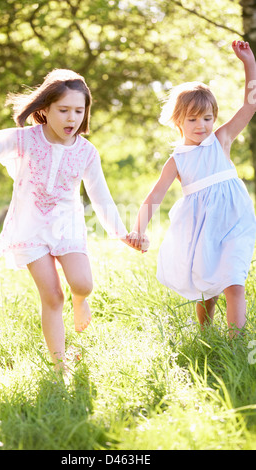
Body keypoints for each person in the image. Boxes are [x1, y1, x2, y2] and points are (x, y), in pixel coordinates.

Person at [0, 68, 138, 372]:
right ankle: (59, 365)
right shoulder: (23, 141)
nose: (71, 118)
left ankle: (80, 300)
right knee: (52, 296)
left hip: (67, 228)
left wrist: (121, 233)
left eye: (78, 111)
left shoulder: (86, 152)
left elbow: (101, 197)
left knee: (83, 284)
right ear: (44, 110)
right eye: (63, 110)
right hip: (30, 230)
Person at [128, 40, 256, 336]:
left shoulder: (221, 140)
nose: (202, 125)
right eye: (193, 119)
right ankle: (207, 333)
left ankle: (236, 343)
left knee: (234, 281)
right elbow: (154, 196)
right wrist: (140, 230)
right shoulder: (177, 160)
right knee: (206, 286)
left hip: (235, 221)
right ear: (178, 121)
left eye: (208, 118)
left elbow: (251, 104)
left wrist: (249, 64)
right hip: (200, 227)